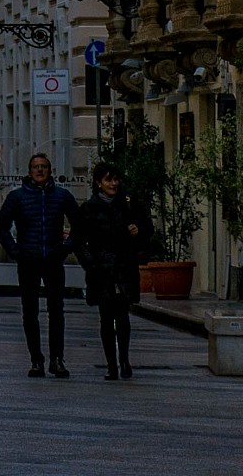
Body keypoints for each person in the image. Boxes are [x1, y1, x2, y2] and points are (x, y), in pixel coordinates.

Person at [0, 151, 79, 378]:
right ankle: (36, 360)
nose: (39, 170)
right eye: (35, 166)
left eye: (43, 166)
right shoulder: (17, 197)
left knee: (56, 311)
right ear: (29, 172)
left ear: (50, 171)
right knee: (30, 312)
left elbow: (80, 225)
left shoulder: (62, 196)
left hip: (53, 258)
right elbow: (1, 227)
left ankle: (57, 359)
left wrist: (65, 247)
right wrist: (16, 252)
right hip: (28, 260)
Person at [76, 162, 154, 380]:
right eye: (108, 180)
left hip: (123, 267)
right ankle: (111, 364)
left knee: (122, 316)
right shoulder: (89, 208)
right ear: (98, 183)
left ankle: (125, 360)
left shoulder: (128, 204)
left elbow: (147, 227)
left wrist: (138, 231)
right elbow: (79, 240)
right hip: (101, 270)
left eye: (115, 179)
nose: (113, 184)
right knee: (105, 317)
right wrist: (91, 263)